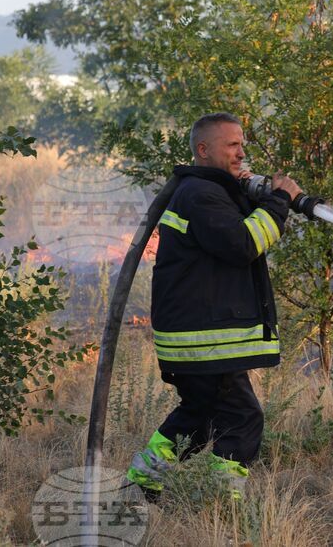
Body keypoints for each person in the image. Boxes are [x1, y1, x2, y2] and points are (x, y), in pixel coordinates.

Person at [126, 112, 302, 499]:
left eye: (242, 144)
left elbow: (230, 232)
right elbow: (243, 245)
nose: (241, 153)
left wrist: (260, 195)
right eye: (232, 145)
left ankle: (144, 483)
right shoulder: (201, 195)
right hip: (202, 337)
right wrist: (279, 202)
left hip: (192, 334)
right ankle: (219, 497)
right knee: (242, 417)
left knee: (200, 415)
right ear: (203, 150)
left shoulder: (206, 192)